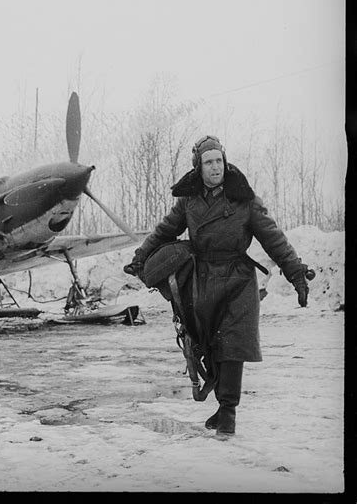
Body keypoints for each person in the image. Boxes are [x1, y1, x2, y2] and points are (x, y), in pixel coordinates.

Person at [123, 135, 314, 438]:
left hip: (238, 279)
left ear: (225, 161)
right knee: (209, 345)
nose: (215, 167)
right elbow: (164, 231)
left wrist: (296, 273)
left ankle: (228, 411)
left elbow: (273, 237)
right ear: (198, 167)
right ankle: (222, 404)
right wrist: (141, 256)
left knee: (233, 344)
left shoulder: (244, 198)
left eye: (218, 161)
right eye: (208, 162)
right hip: (203, 280)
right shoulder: (189, 201)